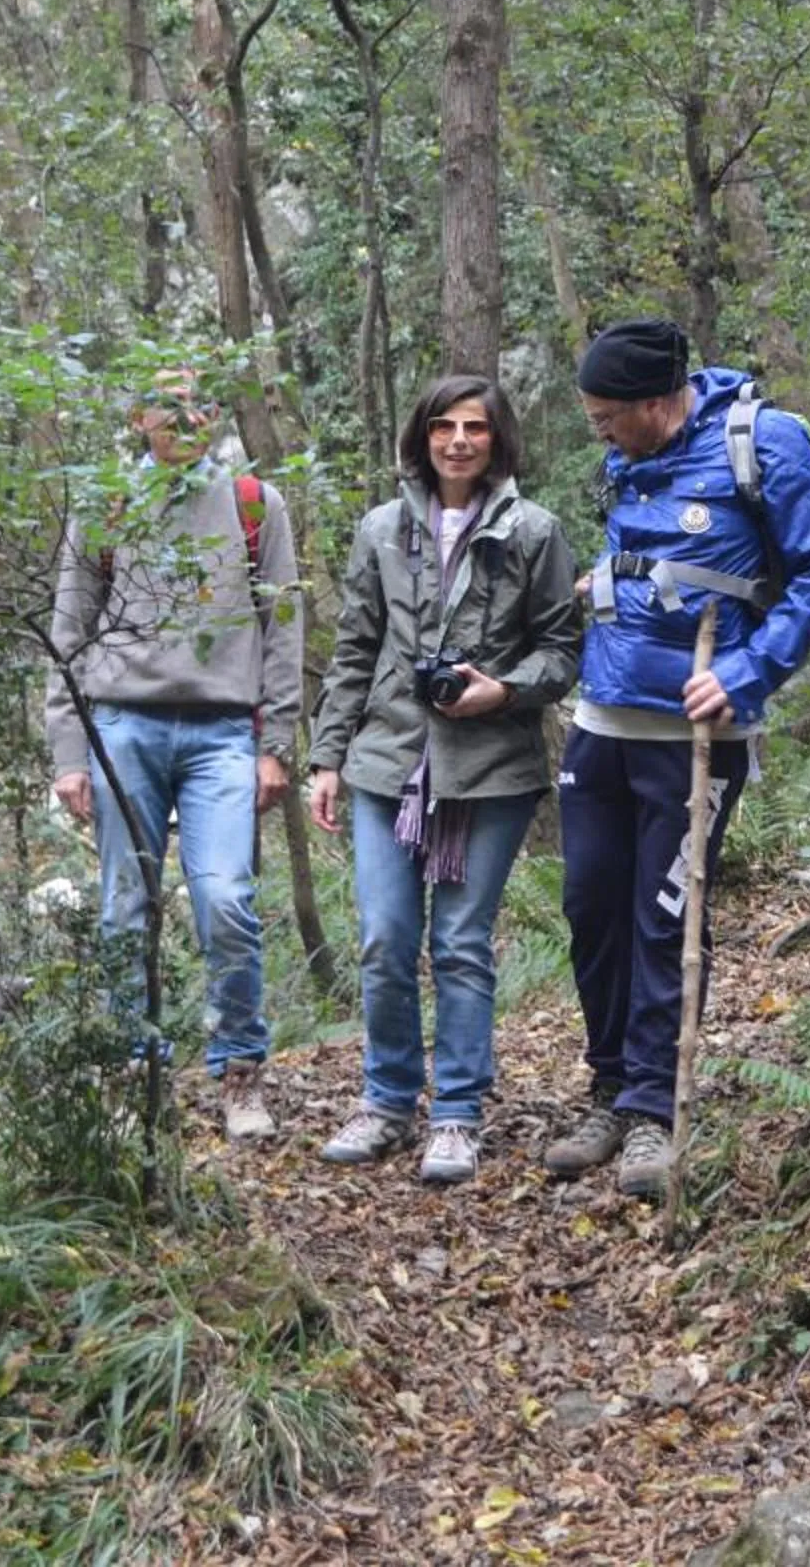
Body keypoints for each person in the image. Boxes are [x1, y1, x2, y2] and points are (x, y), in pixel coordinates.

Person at [549, 319, 810, 1201]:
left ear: (657, 402)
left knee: (661, 916)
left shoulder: (767, 445)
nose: (598, 429)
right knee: (590, 906)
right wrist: (609, 583)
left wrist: (749, 672)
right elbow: (653, 550)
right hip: (602, 718)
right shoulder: (627, 455)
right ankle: (609, 1088)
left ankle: (654, 1107)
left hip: (696, 738)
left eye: (609, 415)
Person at [305, 376, 581, 1185]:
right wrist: (327, 758)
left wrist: (504, 688)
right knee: (386, 937)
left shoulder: (535, 531)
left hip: (490, 767)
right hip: (389, 760)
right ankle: (387, 1098)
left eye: (476, 428)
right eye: (444, 426)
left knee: (460, 943)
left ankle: (457, 1113)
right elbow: (355, 649)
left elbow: (562, 650)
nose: (459, 441)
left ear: (499, 440)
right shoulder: (382, 531)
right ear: (420, 436)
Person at [46, 371, 303, 1139]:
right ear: (138, 417)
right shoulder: (106, 503)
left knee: (226, 897)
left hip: (224, 730)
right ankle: (132, 1075)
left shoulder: (255, 503)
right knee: (125, 908)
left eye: (199, 401)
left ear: (215, 414)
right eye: (167, 402)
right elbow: (69, 629)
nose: (184, 417)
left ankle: (239, 1071)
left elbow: (282, 625)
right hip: (123, 726)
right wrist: (68, 751)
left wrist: (277, 742)